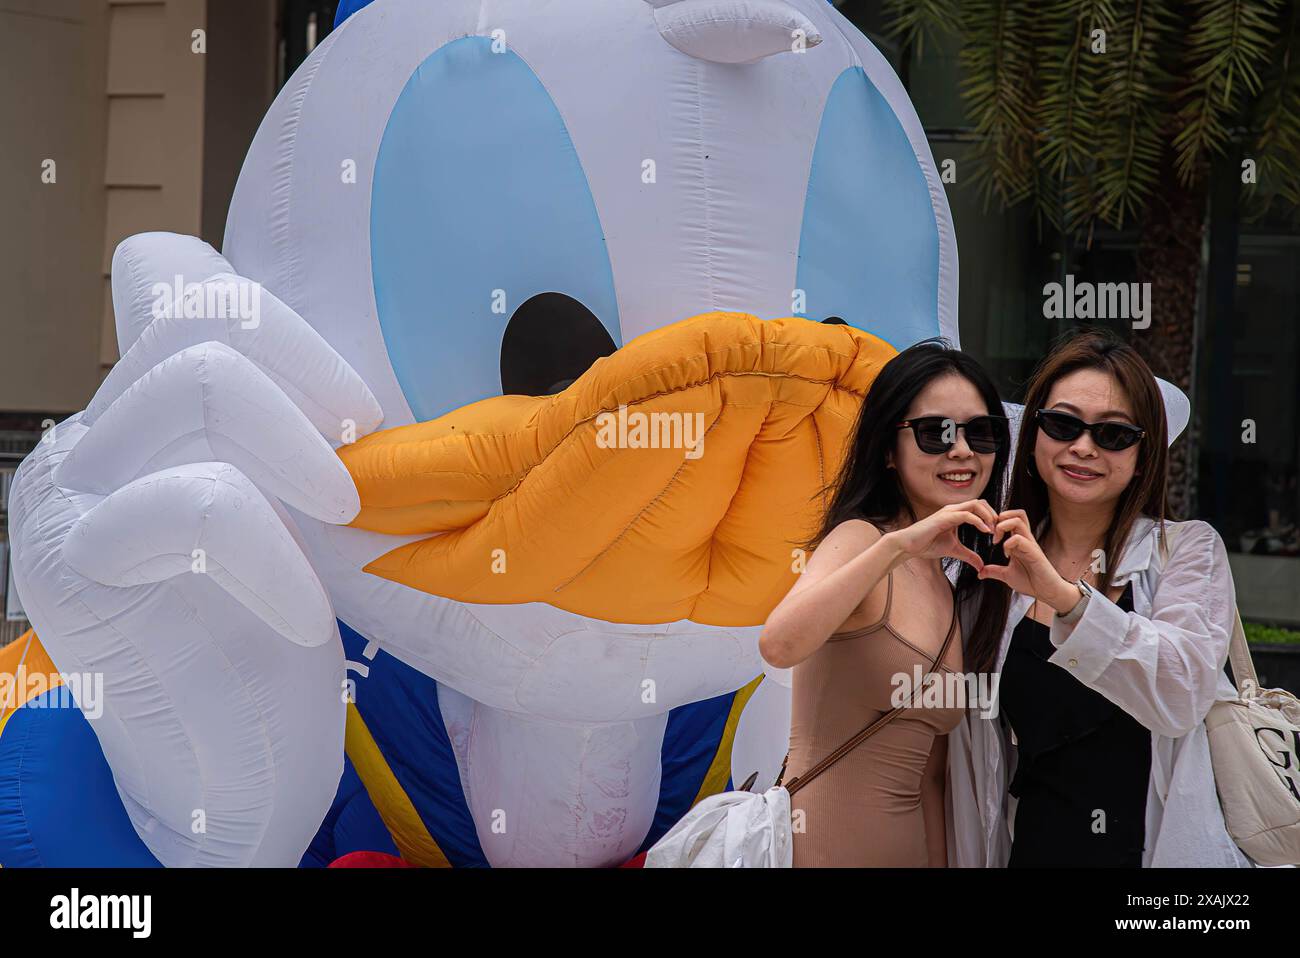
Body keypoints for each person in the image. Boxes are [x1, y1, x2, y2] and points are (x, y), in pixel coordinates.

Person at [947, 329, 1252, 867]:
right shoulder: (988, 569)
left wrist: (1065, 599)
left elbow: (1178, 694)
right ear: (1034, 434)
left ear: (1144, 453)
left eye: (1113, 434)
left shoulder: (1186, 549)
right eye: (1063, 424)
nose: (1083, 447)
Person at [759, 341, 1009, 867]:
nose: (962, 450)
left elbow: (932, 779)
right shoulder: (859, 540)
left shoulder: (950, 582)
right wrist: (897, 546)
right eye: (935, 432)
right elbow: (780, 644)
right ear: (888, 451)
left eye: (980, 432)